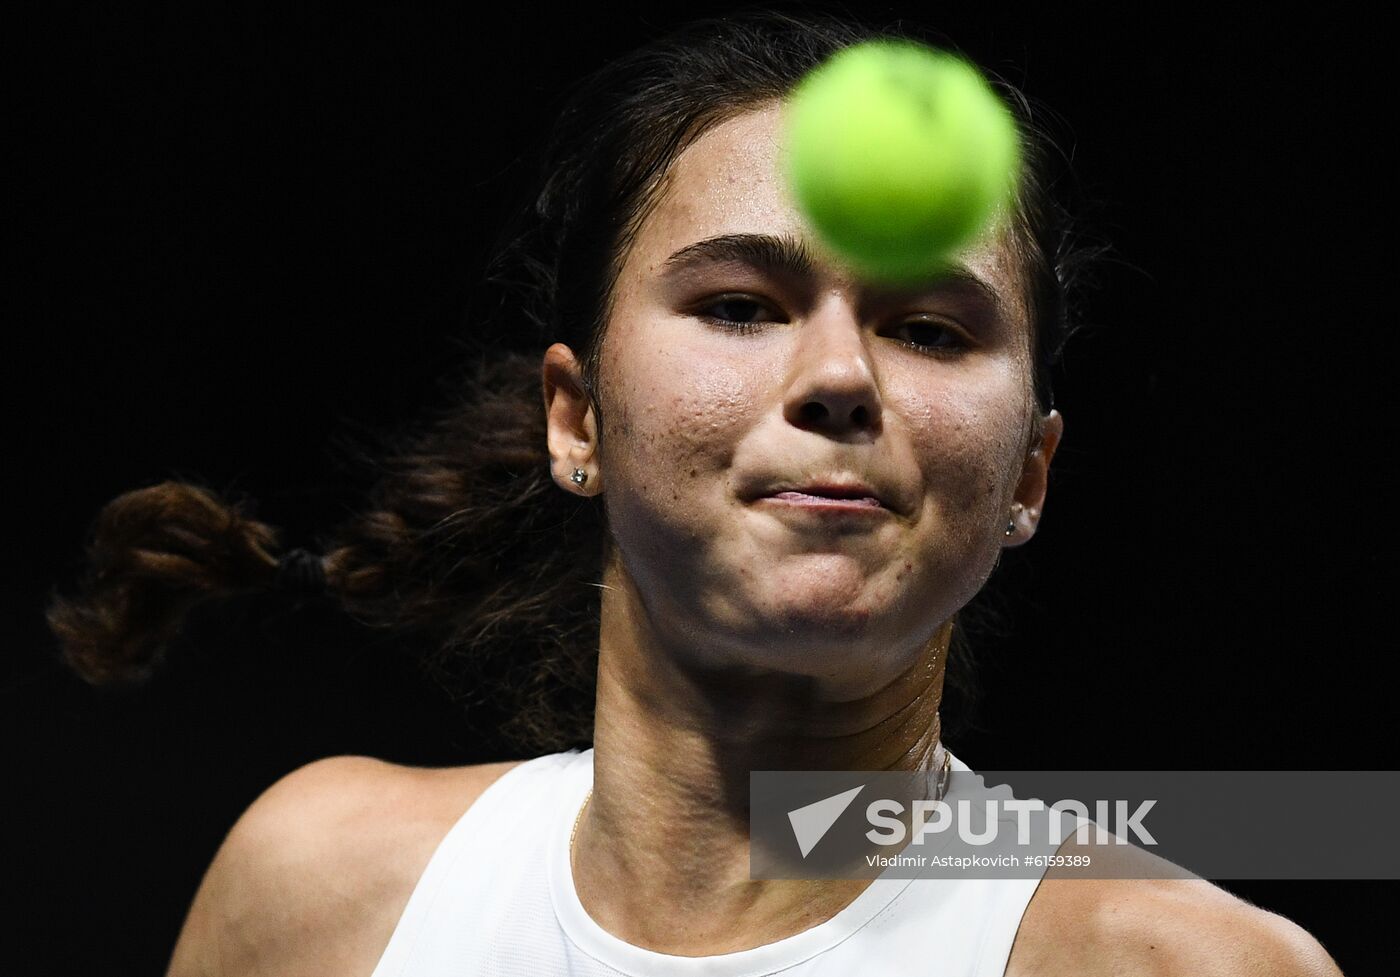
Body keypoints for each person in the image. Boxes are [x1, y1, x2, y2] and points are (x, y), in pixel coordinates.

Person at [48, 9, 1344, 976]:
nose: (840, 376)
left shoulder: (1177, 960)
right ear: (578, 417)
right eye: (739, 305)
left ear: (1029, 472)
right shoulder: (320, 893)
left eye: (933, 330)